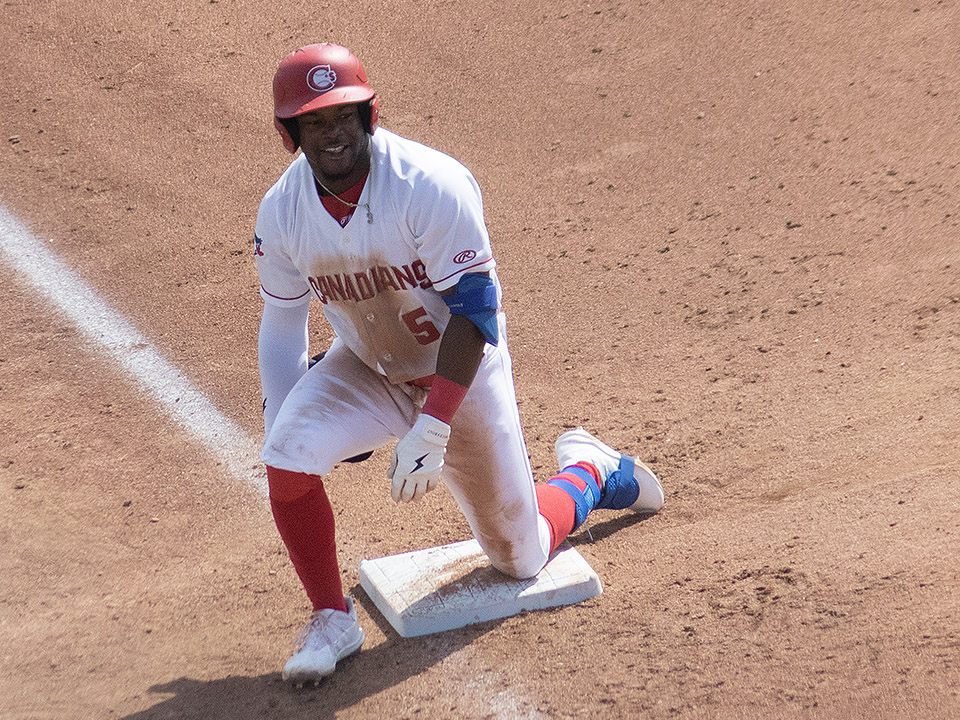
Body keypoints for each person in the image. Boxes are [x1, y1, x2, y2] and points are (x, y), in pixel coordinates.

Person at [254, 42, 665, 684]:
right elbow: (283, 326)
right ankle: (332, 618)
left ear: (368, 116)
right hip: (366, 367)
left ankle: (590, 469)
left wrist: (434, 423)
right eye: (315, 121)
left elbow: (475, 311)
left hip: (460, 373)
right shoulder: (283, 213)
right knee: (286, 456)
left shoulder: (429, 185)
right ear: (290, 133)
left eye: (343, 115)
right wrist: (283, 424)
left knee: (520, 558)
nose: (333, 133)